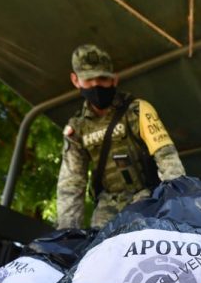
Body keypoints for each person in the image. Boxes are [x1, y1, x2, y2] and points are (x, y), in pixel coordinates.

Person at [57, 44, 186, 229]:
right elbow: (71, 183)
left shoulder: (137, 110)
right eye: (88, 79)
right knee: (100, 250)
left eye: (102, 79)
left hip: (146, 199)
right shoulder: (76, 128)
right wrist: (67, 234)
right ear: (75, 80)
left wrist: (178, 207)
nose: (95, 85)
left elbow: (167, 158)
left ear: (114, 79)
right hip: (106, 207)